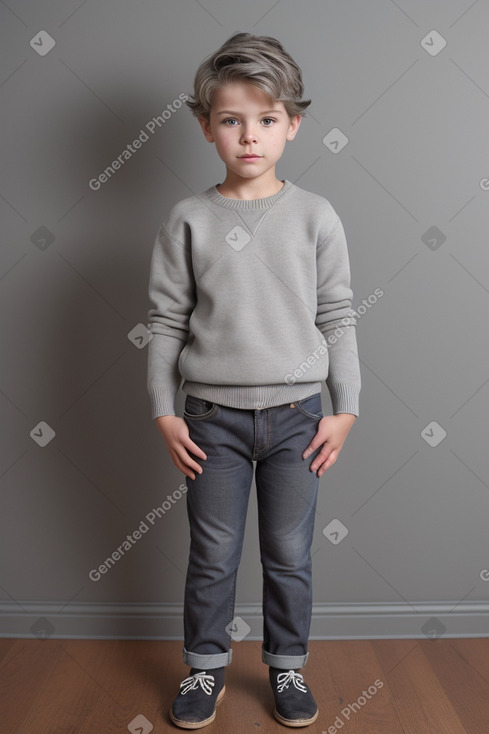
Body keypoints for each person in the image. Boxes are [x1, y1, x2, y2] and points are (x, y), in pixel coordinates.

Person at [146, 32, 361, 729]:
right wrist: (163, 411)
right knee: (212, 554)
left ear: (292, 124)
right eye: (231, 119)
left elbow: (337, 316)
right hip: (209, 420)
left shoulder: (315, 216)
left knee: (290, 553)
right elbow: (166, 321)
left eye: (266, 119)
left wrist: (344, 408)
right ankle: (205, 669)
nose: (248, 136)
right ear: (205, 125)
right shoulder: (186, 219)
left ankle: (286, 664)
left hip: (300, 418)